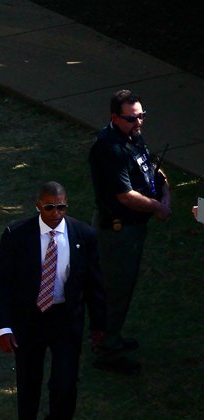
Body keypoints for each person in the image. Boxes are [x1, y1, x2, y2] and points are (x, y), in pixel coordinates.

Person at [0, 182, 106, 420]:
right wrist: (4, 328)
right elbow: (2, 284)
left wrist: (99, 322)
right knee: (29, 385)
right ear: (38, 206)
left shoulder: (83, 235)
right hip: (28, 320)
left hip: (65, 319)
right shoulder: (17, 235)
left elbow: (94, 282)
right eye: (50, 207)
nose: (56, 213)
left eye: (62, 207)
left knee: (66, 384)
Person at [87, 89, 171, 376]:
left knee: (122, 288)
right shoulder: (110, 148)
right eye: (132, 118)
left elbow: (152, 170)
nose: (138, 122)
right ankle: (106, 350)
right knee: (113, 291)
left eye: (141, 116)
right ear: (115, 118)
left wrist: (165, 194)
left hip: (133, 228)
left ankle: (111, 338)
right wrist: (159, 207)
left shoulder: (132, 138)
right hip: (117, 232)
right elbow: (124, 195)